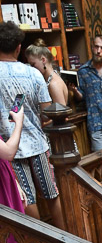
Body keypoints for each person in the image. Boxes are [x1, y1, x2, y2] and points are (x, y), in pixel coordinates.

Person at [0, 21, 64, 229]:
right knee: (52, 193)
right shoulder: (33, 73)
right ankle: (67, 239)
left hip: (9, 146)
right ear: (19, 47)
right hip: (37, 143)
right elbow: (47, 110)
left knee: (27, 199)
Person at [0, 105, 51, 243]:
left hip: (4, 181)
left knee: (17, 239)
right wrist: (19, 122)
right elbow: (9, 152)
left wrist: (15, 182)